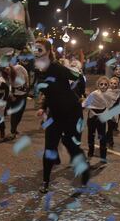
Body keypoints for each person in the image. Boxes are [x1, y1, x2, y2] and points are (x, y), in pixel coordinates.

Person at [33, 37, 90, 193]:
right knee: (49, 148)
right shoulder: (39, 69)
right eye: (35, 48)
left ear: (48, 51)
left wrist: (81, 92)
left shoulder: (57, 67)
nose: (36, 51)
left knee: (70, 144)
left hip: (71, 111)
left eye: (39, 49)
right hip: (55, 113)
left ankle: (84, 170)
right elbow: (48, 92)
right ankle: (45, 181)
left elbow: (77, 77)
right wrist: (43, 107)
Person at [83, 76, 110, 166]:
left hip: (102, 116)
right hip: (92, 116)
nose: (103, 86)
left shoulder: (109, 95)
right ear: (98, 85)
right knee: (91, 134)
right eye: (101, 84)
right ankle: (90, 151)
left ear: (108, 85)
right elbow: (85, 103)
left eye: (105, 84)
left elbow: (112, 105)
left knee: (102, 136)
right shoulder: (94, 94)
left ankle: (103, 156)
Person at [3, 63, 29, 138]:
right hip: (15, 96)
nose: (6, 70)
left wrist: (27, 84)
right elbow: (8, 86)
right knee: (15, 114)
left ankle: (14, 128)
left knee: (21, 113)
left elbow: (26, 74)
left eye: (7, 68)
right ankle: (13, 130)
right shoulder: (6, 76)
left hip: (23, 94)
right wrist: (11, 95)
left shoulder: (19, 68)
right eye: (4, 69)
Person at [105, 76, 120, 148]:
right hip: (107, 111)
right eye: (111, 83)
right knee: (110, 126)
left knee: (112, 127)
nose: (113, 85)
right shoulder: (106, 91)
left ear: (117, 84)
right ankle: (110, 141)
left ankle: (106, 138)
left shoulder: (119, 92)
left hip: (115, 111)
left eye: (114, 83)